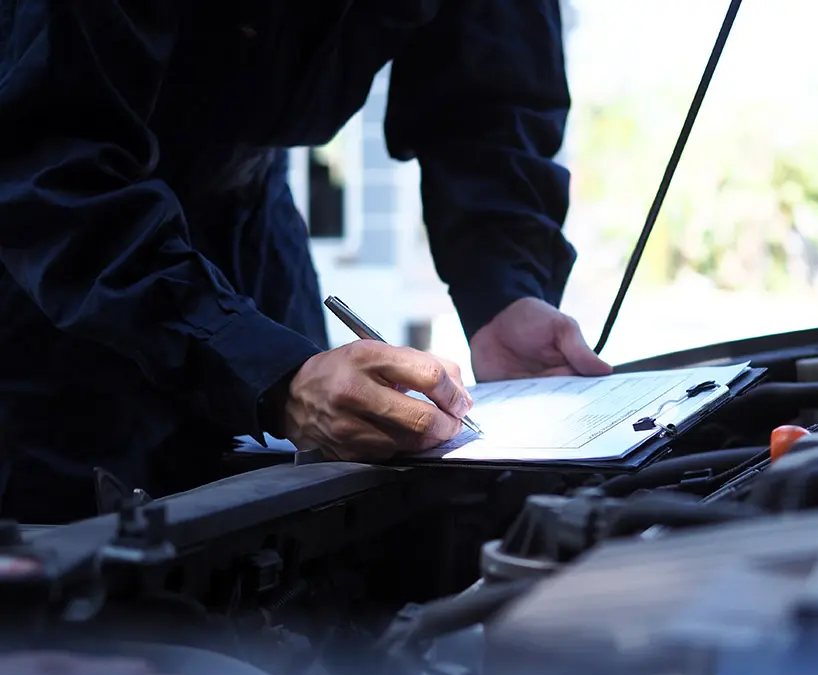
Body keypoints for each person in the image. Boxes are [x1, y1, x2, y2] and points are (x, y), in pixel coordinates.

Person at [0, 0, 612, 524]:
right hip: (49, 256)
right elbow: (46, 156)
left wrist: (502, 290)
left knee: (309, 538)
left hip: (251, 222)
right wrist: (268, 369)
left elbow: (490, 98)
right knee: (72, 591)